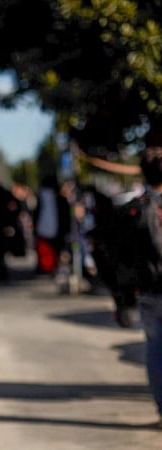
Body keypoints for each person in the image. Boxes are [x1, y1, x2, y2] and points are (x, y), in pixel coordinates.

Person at [110, 143, 162, 428]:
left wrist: (123, 298)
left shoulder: (134, 209)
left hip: (149, 290)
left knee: (155, 352)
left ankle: (161, 407)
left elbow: (122, 257)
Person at [33, 174, 71, 275]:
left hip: (44, 229)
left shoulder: (40, 197)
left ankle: (47, 267)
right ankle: (52, 267)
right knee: (54, 250)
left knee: (45, 250)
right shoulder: (59, 198)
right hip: (56, 230)